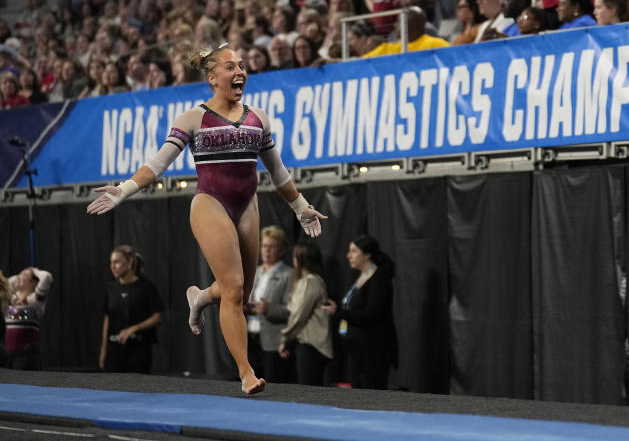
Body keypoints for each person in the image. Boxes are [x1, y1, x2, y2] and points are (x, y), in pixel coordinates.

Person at [86, 43, 326, 395]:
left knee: (239, 294)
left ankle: (200, 298)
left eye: (241, 65)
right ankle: (247, 374)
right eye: (230, 67)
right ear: (212, 77)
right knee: (232, 288)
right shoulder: (193, 118)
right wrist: (122, 190)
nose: (240, 71)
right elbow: (157, 164)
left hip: (247, 205)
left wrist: (301, 207)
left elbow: (277, 172)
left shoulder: (259, 117)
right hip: (210, 204)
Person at [322, 235, 397, 390]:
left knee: (372, 393)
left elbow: (371, 315)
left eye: (354, 251)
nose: (349, 255)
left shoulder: (379, 279)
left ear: (367, 254)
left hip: (373, 350)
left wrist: (339, 312)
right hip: (356, 348)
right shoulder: (362, 277)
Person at [99, 246, 164, 373]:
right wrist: (103, 350)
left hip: (138, 350)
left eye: (117, 262)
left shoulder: (146, 287)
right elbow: (107, 319)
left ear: (129, 263)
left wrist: (133, 329)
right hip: (114, 351)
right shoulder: (111, 288)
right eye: (111, 262)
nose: (113, 266)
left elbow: (157, 317)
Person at [279, 241, 333, 386]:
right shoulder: (306, 281)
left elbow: (298, 315)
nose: (293, 260)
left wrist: (285, 339)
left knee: (310, 391)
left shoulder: (311, 281)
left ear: (301, 259)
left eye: (295, 256)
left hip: (312, 346)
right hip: (307, 344)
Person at [247, 227, 294, 383]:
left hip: (273, 342)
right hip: (249, 338)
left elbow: (292, 311)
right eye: (264, 246)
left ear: (281, 251)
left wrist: (269, 309)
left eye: (271, 246)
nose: (266, 250)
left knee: (273, 387)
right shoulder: (254, 271)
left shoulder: (290, 275)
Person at [5, 266, 53, 370]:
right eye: (19, 274)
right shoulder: (11, 300)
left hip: (26, 356)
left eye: (24, 275)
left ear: (33, 283)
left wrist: (35, 271)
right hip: (8, 355)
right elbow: (6, 283)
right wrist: (22, 276)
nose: (18, 277)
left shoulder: (34, 301)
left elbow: (46, 277)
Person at [363, 7, 450, 57]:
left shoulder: (437, 45)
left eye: (399, 22)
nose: (395, 25)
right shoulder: (388, 48)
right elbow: (360, 63)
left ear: (414, 26)